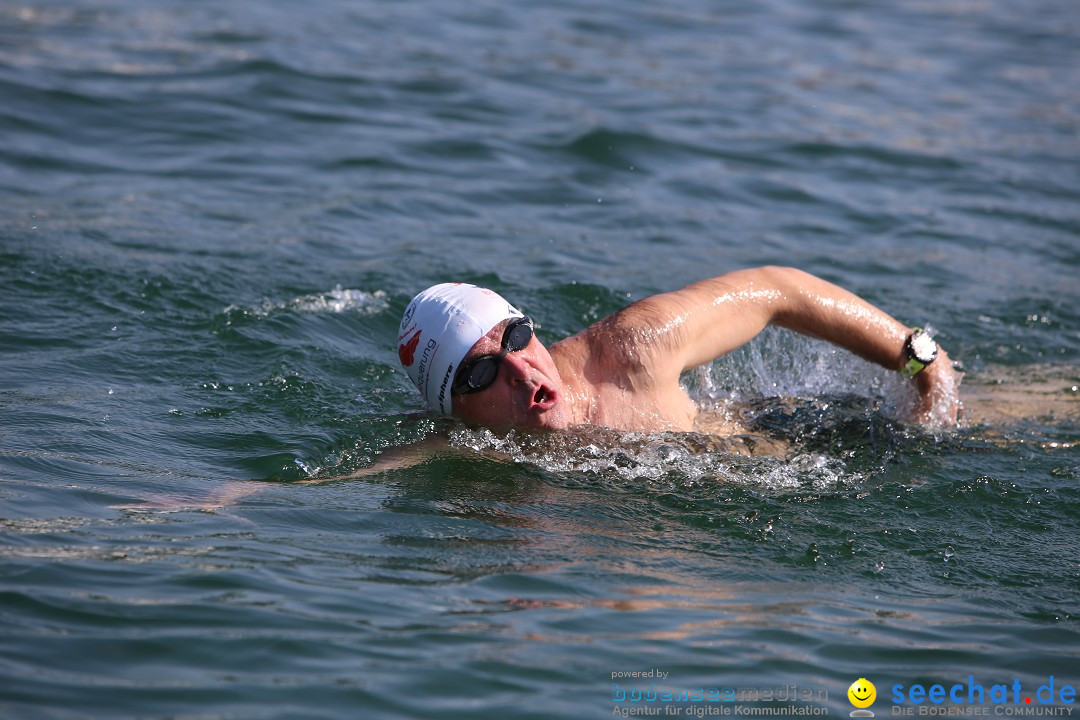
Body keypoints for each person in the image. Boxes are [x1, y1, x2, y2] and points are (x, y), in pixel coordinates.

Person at [397, 266, 961, 434]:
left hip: (807, 432)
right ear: (457, 411)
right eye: (481, 374)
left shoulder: (633, 349)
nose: (521, 370)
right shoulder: (461, 445)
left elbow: (779, 291)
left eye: (517, 338)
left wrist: (919, 358)